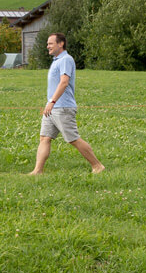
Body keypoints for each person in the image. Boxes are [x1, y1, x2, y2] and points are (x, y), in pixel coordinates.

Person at [28, 32, 105, 175]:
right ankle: (38, 170)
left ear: (60, 43)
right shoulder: (57, 60)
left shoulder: (66, 60)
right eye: (47, 44)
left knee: (73, 139)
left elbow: (64, 82)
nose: (47, 47)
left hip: (62, 107)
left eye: (50, 43)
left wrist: (52, 101)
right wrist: (50, 103)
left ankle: (97, 166)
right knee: (45, 138)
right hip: (52, 107)